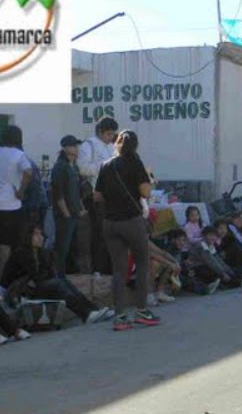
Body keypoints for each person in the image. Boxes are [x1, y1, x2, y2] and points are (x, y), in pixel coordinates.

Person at [94, 130, 159, 331]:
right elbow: (146, 192)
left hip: (110, 222)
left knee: (118, 269)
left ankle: (120, 316)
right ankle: (141, 310)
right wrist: (148, 179)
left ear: (117, 144)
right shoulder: (135, 163)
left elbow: (97, 196)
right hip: (131, 220)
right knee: (141, 264)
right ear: (135, 146)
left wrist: (113, 200)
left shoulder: (106, 166)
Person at [2, 224, 112, 324]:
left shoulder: (42, 252)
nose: (40, 237)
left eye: (41, 234)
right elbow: (31, 277)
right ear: (28, 236)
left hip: (40, 286)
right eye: (36, 234)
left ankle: (93, 311)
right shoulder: (20, 253)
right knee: (57, 284)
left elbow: (47, 274)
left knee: (63, 282)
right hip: (24, 292)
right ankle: (86, 314)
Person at [0, 126, 33, 280]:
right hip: (9, 205)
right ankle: (2, 279)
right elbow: (28, 172)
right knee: (4, 245)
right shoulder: (19, 154)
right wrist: (21, 191)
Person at [77, 116, 118, 275]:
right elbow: (83, 169)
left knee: (110, 234)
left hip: (111, 197)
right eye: (108, 134)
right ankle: (98, 269)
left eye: (113, 134)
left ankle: (109, 268)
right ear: (100, 131)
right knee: (99, 234)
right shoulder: (88, 145)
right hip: (95, 196)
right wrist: (104, 165)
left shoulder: (111, 147)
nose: (111, 137)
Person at [51, 135, 87, 277]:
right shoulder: (60, 167)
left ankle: (71, 273)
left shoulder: (74, 166)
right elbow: (58, 193)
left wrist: (82, 208)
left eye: (77, 146)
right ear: (65, 148)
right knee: (62, 247)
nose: (76, 148)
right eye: (73, 146)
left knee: (73, 247)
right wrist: (65, 213)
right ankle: (58, 274)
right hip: (65, 215)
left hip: (76, 213)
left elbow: (78, 190)